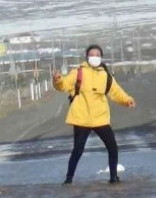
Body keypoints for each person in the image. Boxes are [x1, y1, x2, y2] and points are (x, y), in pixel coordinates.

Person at [53, 44, 136, 185]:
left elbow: (116, 92)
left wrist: (127, 100)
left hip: (100, 118)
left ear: (101, 57)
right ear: (87, 57)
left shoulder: (106, 76)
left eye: (97, 55)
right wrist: (58, 79)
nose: (95, 57)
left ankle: (113, 177)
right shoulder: (78, 73)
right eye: (92, 55)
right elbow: (64, 85)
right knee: (78, 150)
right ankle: (68, 179)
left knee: (112, 147)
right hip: (82, 118)